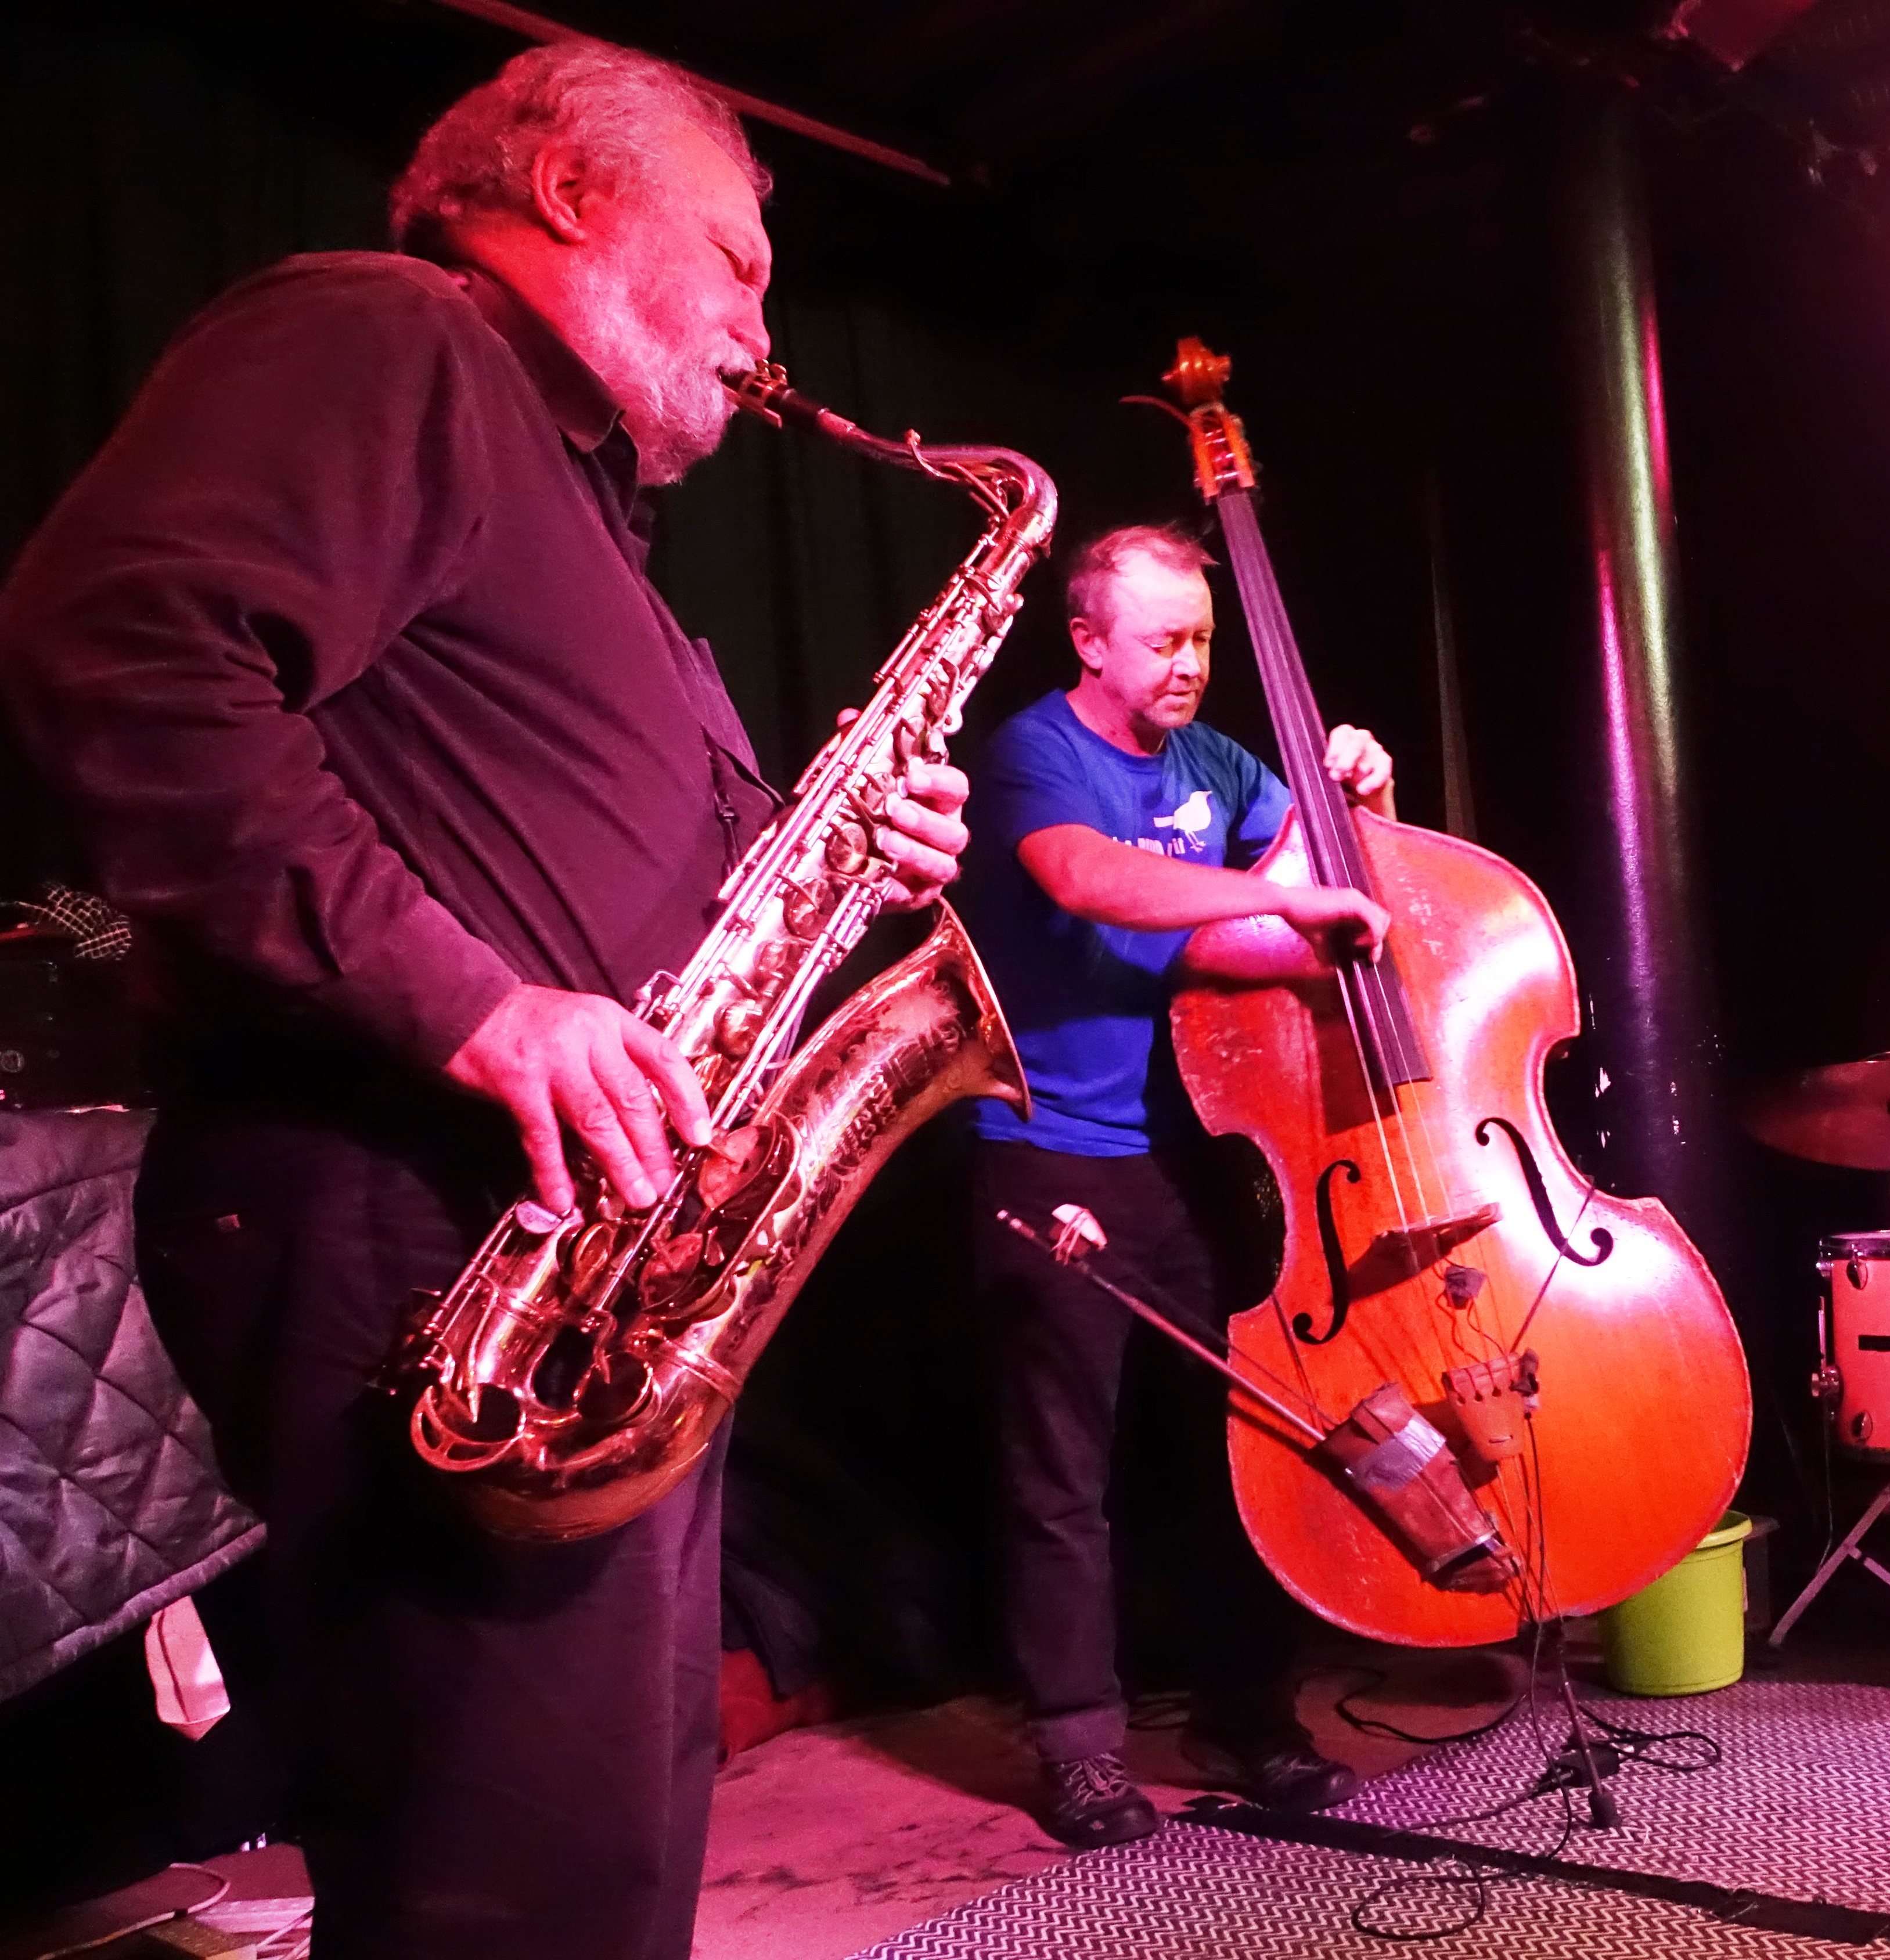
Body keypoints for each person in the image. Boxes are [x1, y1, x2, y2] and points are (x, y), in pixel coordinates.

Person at [0, 45, 969, 1958]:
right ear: (569, 192)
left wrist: (838, 845)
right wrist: (477, 1009)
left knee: (590, 1860)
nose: (762, 323)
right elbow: (121, 633)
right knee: (506, 1881)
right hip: (418, 1216)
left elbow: (645, 866)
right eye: (741, 260)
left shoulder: (592, 517)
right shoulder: (393, 339)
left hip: (576, 1248)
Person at [957, 523, 1390, 1848]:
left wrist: (1353, 800)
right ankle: (1081, 1746)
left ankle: (1249, 1716)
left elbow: (1316, 882)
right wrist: (1284, 897)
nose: (1192, 663)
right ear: (1088, 641)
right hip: (1050, 1159)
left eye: (1200, 636)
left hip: (1192, 1159)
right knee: (1060, 1478)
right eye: (1163, 640)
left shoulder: (1213, 759)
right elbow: (1088, 875)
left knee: (1232, 1458)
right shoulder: (1039, 750)